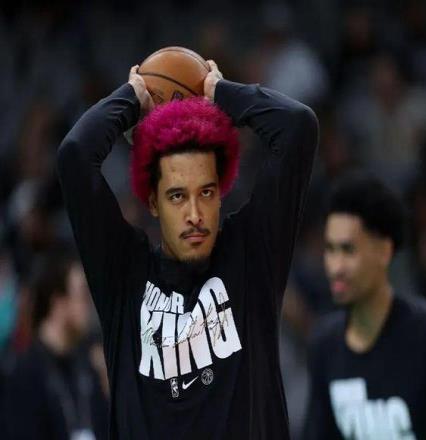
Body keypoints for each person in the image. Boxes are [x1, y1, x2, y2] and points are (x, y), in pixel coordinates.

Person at [56, 59, 318, 439]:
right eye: (177, 196)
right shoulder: (124, 275)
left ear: (221, 192)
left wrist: (219, 93)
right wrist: (133, 97)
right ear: (152, 202)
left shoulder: (252, 252)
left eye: (206, 193)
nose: (194, 214)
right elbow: (75, 154)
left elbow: (298, 126)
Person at [302, 172, 426, 439]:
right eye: (330, 249)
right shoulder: (325, 346)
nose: (335, 267)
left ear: (384, 251)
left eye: (348, 250)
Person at [3, 250, 108, 439]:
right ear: (58, 302)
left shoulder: (88, 365)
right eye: (82, 295)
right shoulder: (25, 373)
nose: (89, 304)